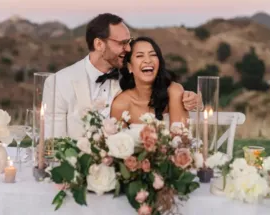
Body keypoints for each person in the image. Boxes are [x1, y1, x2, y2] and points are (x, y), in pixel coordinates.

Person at [42, 13, 198, 139]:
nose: (128, 48)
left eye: (128, 42)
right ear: (99, 45)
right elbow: (52, 141)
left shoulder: (130, 76)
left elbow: (160, 89)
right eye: (122, 43)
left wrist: (195, 101)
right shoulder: (58, 83)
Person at [111, 36, 188, 126]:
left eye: (153, 55)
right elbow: (116, 139)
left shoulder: (174, 91)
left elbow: (181, 136)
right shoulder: (120, 105)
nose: (147, 60)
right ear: (129, 67)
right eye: (139, 56)